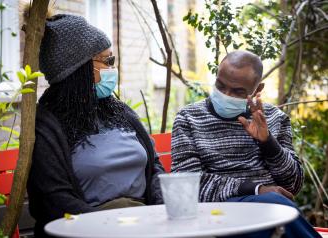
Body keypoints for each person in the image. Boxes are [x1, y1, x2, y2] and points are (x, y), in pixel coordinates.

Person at [27, 14, 164, 237]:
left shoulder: (120, 111)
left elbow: (155, 166)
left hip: (146, 221)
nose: (113, 68)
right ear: (78, 70)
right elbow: (53, 199)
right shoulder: (47, 126)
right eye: (107, 61)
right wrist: (109, 227)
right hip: (89, 229)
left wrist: (161, 209)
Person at [171, 51, 320, 237]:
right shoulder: (188, 118)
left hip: (272, 211)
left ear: (258, 89)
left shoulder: (274, 118)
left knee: (275, 214)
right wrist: (256, 190)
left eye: (237, 91)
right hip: (217, 214)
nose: (226, 94)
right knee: (276, 211)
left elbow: (292, 186)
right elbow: (187, 185)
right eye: (220, 85)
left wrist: (268, 143)